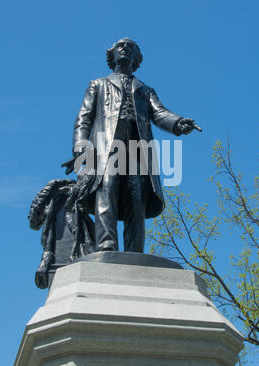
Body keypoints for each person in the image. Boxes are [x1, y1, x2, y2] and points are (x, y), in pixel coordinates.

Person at [62, 38, 201, 253]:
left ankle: (135, 252)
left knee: (136, 200)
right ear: (113, 55)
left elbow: (160, 113)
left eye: (130, 47)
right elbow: (83, 118)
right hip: (107, 150)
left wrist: (178, 122)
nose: (124, 48)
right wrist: (81, 145)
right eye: (120, 46)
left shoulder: (145, 90)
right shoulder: (98, 84)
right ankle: (106, 246)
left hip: (136, 152)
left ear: (137, 57)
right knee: (106, 192)